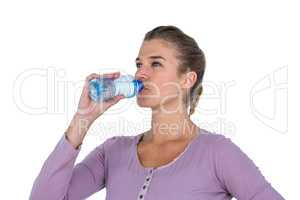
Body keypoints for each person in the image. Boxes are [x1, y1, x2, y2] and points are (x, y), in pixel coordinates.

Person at [30, 25, 284, 200]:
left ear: (187, 79)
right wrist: (83, 118)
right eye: (139, 64)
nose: (141, 73)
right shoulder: (113, 151)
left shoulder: (218, 152)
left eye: (156, 64)